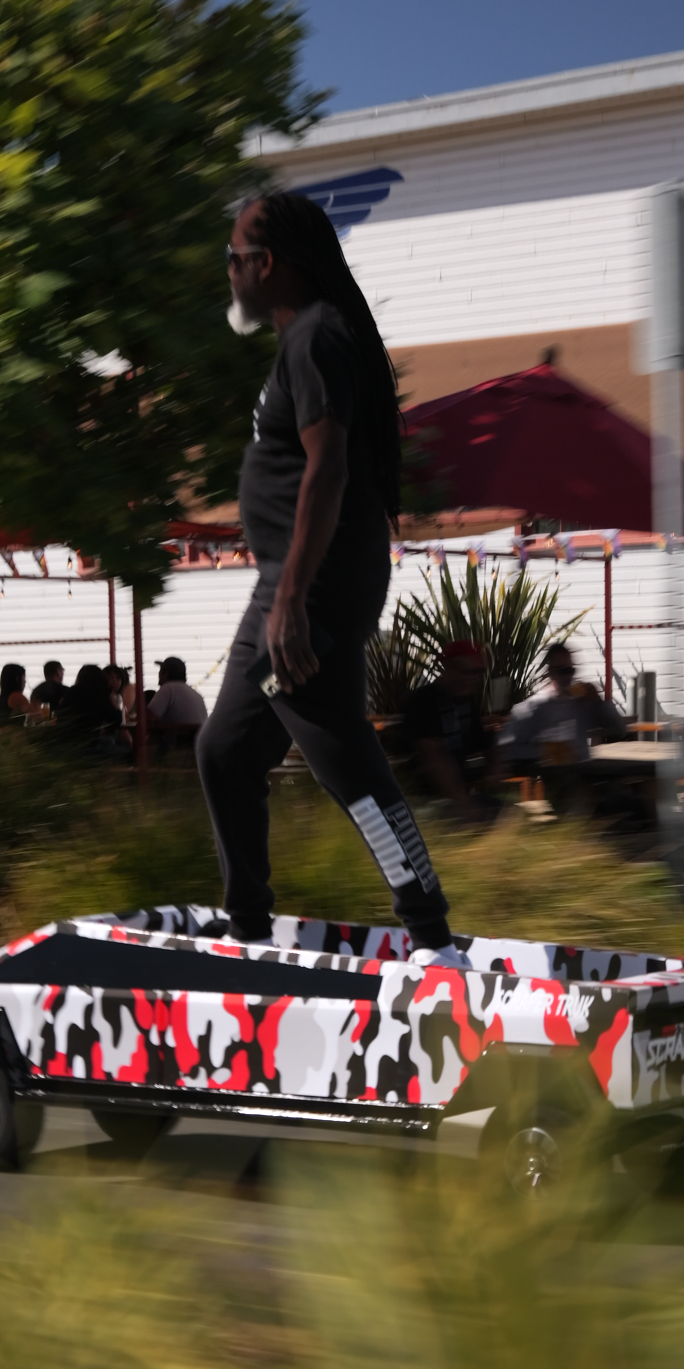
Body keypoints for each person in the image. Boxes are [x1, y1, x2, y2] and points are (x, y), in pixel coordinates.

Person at [195, 190, 459, 961]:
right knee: (225, 750)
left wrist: (290, 605)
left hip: (308, 586)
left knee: (344, 757)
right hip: (293, 580)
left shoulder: (315, 339)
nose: (231, 275)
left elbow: (328, 469)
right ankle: (245, 927)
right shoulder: (311, 340)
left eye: (234, 259)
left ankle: (433, 939)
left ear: (265, 264)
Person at [402, 641, 497, 822]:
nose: (469, 677)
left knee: (511, 814)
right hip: (421, 802)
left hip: (454, 799)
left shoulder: (467, 702)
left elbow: (485, 744)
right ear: (446, 669)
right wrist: (464, 803)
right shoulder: (423, 701)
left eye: (476, 672)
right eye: (462, 670)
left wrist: (495, 763)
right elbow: (433, 758)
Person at [497, 641, 625, 773]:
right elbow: (506, 748)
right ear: (550, 672)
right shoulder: (535, 707)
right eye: (562, 671)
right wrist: (546, 751)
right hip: (553, 781)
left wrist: (600, 702)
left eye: (571, 670)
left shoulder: (582, 704)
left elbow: (619, 729)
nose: (568, 677)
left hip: (585, 777)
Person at [57, 663, 127, 758]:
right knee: (126, 752)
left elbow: (61, 715)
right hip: (90, 746)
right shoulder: (99, 694)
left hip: (67, 745)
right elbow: (116, 718)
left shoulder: (71, 691)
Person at [147, 657, 208, 736]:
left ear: (166, 673)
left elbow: (148, 718)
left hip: (178, 746)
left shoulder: (168, 688)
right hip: (196, 744)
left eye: (160, 670)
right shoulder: (196, 693)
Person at [0, 663, 31, 728]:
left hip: (2, 737)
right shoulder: (17, 696)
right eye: (24, 678)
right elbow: (36, 715)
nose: (25, 682)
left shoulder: (2, 698)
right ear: (17, 679)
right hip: (17, 737)